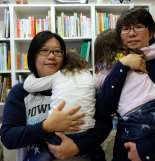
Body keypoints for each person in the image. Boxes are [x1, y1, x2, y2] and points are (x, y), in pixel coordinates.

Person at [0, 31, 113, 161]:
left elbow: (104, 124)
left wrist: (77, 147)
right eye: (44, 50)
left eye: (57, 51)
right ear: (33, 56)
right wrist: (46, 126)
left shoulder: (79, 84)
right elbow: (8, 138)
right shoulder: (20, 92)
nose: (52, 56)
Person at [96, 8, 155, 161]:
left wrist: (148, 148)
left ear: (150, 33)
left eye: (138, 26)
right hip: (125, 149)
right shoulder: (112, 67)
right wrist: (122, 66)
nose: (131, 33)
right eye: (125, 29)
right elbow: (104, 109)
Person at [23, 48, 96, 161]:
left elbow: (28, 85)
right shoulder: (89, 75)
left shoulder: (58, 75)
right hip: (86, 132)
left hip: (60, 132)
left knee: (38, 156)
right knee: (96, 153)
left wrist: (33, 72)